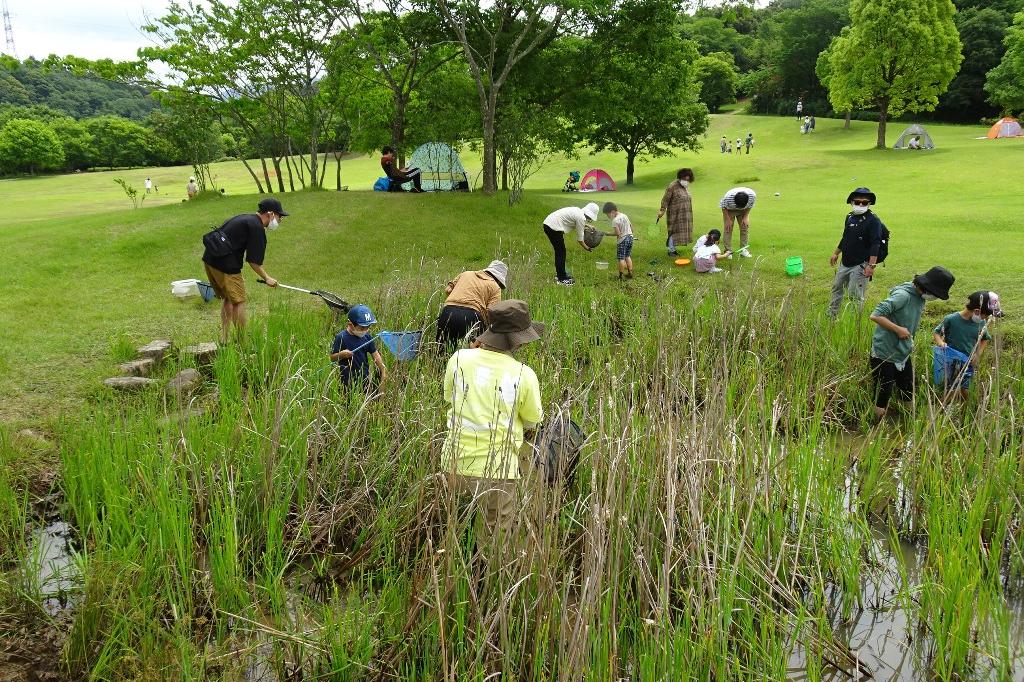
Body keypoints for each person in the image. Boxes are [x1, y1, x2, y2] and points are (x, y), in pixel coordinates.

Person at [441, 299, 544, 552]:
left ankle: (453, 567)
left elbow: (449, 397)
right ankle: (487, 582)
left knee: (454, 531)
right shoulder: (524, 374)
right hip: (498, 473)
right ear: (518, 339)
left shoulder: (458, 359)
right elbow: (532, 421)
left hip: (454, 465)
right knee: (494, 540)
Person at [868, 266, 955, 419]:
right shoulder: (903, 296)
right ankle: (876, 426)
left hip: (902, 352)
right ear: (927, 288)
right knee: (883, 393)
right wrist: (898, 329)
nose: (935, 297)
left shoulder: (919, 296)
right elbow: (875, 315)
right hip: (885, 353)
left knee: (908, 390)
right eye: (936, 294)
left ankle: (909, 422)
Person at [201, 197, 285, 344]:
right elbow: (253, 261)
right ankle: (242, 342)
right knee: (239, 301)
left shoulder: (245, 218)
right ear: (270, 214)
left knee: (229, 298)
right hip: (226, 265)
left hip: (210, 260)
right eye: (279, 216)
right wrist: (267, 278)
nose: (280, 220)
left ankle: (224, 338)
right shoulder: (257, 228)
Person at [932, 291, 1002, 396]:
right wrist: (941, 342)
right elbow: (937, 332)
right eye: (985, 316)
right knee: (950, 387)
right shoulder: (951, 319)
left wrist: (978, 354)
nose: (986, 319)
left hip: (968, 362)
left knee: (965, 388)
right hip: (950, 361)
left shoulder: (981, 323)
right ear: (977, 311)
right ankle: (943, 406)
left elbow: (985, 339)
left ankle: (964, 406)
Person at [829, 187, 885, 317]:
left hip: (860, 264)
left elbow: (875, 244)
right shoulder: (849, 217)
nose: (860, 204)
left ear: (869, 203)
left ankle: (855, 324)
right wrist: (836, 253)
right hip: (845, 262)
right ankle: (831, 316)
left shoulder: (874, 221)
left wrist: (871, 266)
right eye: (857, 202)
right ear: (852, 202)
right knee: (836, 288)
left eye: (864, 202)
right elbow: (845, 237)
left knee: (855, 295)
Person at [436, 260, 508, 351]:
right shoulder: (495, 286)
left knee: (442, 350)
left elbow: (448, 290)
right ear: (498, 279)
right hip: (472, 316)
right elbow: (492, 312)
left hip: (448, 312)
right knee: (476, 352)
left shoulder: (466, 274)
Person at [330, 304, 388, 390]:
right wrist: (341, 355)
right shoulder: (341, 337)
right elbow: (332, 358)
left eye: (367, 327)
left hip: (364, 378)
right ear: (350, 324)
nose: (364, 330)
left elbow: (375, 354)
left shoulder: (367, 337)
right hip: (346, 381)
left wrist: (382, 368)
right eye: (361, 328)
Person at [542, 202, 599, 286]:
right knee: (561, 252)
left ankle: (560, 275)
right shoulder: (581, 218)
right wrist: (587, 248)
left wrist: (588, 226)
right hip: (554, 227)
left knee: (559, 251)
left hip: (548, 224)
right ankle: (561, 279)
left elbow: (577, 223)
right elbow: (580, 239)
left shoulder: (578, 211)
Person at [657, 168, 695, 256]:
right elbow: (665, 199)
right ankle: (671, 250)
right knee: (673, 231)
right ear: (680, 177)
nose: (686, 180)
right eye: (685, 179)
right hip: (675, 214)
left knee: (680, 232)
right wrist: (662, 210)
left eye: (688, 179)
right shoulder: (672, 186)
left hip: (685, 215)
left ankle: (673, 249)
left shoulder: (685, 187)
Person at [719, 186, 756, 257]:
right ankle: (728, 251)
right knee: (728, 229)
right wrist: (727, 219)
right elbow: (723, 207)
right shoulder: (728, 197)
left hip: (744, 211)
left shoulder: (752, 195)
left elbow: (750, 206)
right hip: (730, 210)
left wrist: (746, 217)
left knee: (745, 228)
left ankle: (743, 250)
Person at [603, 202, 634, 280]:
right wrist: (629, 234)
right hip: (630, 237)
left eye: (607, 214)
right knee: (627, 256)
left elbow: (618, 233)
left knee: (621, 258)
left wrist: (608, 233)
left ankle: (620, 276)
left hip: (622, 240)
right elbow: (631, 228)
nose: (608, 216)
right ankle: (630, 273)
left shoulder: (615, 220)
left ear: (612, 212)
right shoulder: (624, 215)